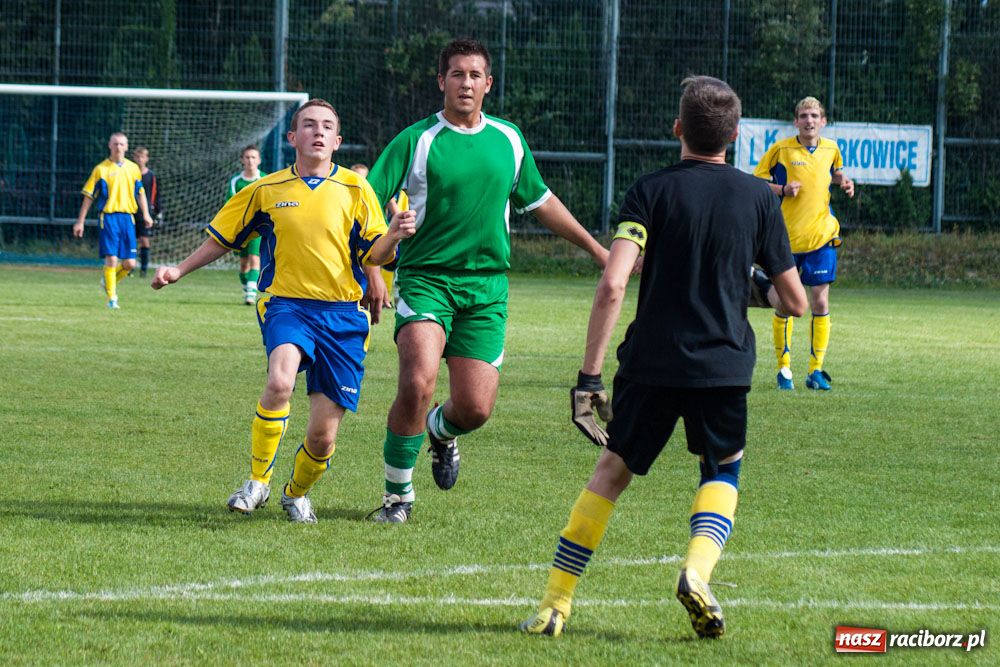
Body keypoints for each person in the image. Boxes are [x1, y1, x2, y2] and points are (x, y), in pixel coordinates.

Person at [519, 76, 807, 639]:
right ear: (737, 136)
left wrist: (589, 377)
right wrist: (740, 282)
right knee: (722, 469)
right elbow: (792, 300)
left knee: (611, 472)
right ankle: (697, 575)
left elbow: (614, 282)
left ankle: (555, 604)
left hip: (651, 361)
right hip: (723, 365)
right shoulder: (757, 197)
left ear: (678, 128)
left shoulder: (649, 190)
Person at [363, 39, 609, 523]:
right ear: (442, 82)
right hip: (426, 279)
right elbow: (366, 206)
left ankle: (440, 430)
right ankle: (398, 497)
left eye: (475, 75)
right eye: (457, 74)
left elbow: (541, 203)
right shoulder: (416, 140)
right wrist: (374, 267)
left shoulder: (509, 139)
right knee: (417, 380)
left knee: (474, 409)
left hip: (487, 289)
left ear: (488, 84)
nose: (466, 83)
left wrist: (598, 250)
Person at [152, 99, 415, 523]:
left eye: (327, 126)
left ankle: (295, 493)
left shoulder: (356, 189)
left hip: (345, 317)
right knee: (279, 381)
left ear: (337, 140)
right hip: (286, 305)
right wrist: (179, 269)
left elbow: (374, 251)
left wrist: (396, 236)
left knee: (323, 438)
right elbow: (224, 237)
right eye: (309, 125)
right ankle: (257, 481)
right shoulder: (264, 189)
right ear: (292, 137)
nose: (318, 131)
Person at [753, 96, 855, 391]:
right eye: (803, 116)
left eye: (814, 116)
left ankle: (816, 370)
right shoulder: (781, 150)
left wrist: (844, 181)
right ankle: (784, 369)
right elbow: (757, 182)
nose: (809, 121)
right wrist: (783, 189)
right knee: (787, 304)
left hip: (822, 236)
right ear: (795, 121)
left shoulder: (832, 149)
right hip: (786, 240)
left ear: (823, 121)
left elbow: (832, 174)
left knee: (820, 300)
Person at [73, 132, 154, 309]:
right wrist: (80, 221)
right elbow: (88, 197)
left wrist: (146, 214)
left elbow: (140, 193)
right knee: (111, 259)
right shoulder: (101, 169)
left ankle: (108, 281)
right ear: (110, 145)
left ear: (126, 146)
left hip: (128, 218)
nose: (118, 147)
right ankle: (112, 298)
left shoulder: (133, 169)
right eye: (115, 144)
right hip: (108, 217)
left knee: (130, 263)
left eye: (122, 144)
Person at [227, 145, 268, 305]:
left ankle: (250, 295)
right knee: (244, 264)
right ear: (242, 160)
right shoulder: (236, 181)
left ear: (259, 160)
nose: (250, 160)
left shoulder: (264, 180)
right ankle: (247, 287)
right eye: (247, 157)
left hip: (258, 228)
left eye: (253, 157)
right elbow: (230, 206)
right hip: (241, 229)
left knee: (254, 259)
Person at [132, 146, 161, 277]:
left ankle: (143, 270)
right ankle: (129, 268)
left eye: (142, 157)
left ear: (146, 159)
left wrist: (157, 211)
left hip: (145, 213)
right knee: (131, 240)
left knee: (144, 240)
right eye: (137, 157)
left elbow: (156, 194)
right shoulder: (130, 173)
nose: (139, 159)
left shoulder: (150, 176)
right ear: (134, 158)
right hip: (130, 210)